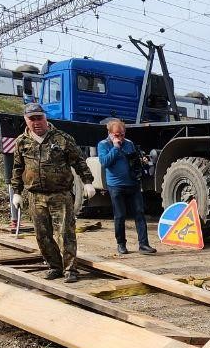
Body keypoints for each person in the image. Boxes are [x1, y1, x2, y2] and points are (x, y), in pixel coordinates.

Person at [9, 103, 95, 283]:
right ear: (26, 120)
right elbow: (17, 168)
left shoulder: (62, 139)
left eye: (39, 118)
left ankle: (70, 269)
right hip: (35, 196)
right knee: (42, 235)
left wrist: (87, 182)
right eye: (32, 119)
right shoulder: (21, 142)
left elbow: (79, 161)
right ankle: (54, 266)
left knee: (65, 233)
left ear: (45, 117)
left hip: (60, 194)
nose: (36, 122)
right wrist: (16, 192)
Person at [97, 119, 157, 255]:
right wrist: (115, 147)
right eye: (117, 135)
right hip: (116, 185)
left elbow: (136, 160)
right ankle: (121, 244)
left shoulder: (129, 144)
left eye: (122, 134)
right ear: (110, 133)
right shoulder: (103, 144)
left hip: (133, 184)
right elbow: (105, 162)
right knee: (120, 215)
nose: (120, 138)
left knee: (139, 213)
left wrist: (142, 162)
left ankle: (144, 244)